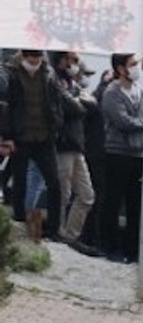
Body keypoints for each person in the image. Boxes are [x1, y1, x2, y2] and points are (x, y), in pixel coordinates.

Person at [0, 49, 76, 242]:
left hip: (44, 137)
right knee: (20, 183)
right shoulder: (12, 75)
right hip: (21, 137)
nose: (34, 62)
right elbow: (7, 108)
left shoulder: (48, 75)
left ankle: (53, 230)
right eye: (30, 58)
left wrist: (56, 124)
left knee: (54, 183)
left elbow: (57, 102)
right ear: (24, 57)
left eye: (37, 58)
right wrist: (7, 136)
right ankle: (18, 223)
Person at [48, 51, 98, 254]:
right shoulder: (54, 82)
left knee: (87, 195)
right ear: (60, 61)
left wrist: (80, 101)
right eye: (71, 60)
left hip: (77, 145)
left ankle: (70, 236)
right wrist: (80, 101)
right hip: (63, 144)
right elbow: (73, 107)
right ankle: (57, 233)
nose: (74, 65)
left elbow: (91, 105)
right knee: (62, 193)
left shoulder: (72, 85)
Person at [99, 53, 143, 261]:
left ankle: (132, 250)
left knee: (135, 203)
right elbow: (122, 121)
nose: (136, 68)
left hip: (138, 153)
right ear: (120, 69)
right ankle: (110, 246)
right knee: (113, 200)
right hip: (117, 152)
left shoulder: (141, 91)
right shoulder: (112, 92)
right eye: (132, 65)